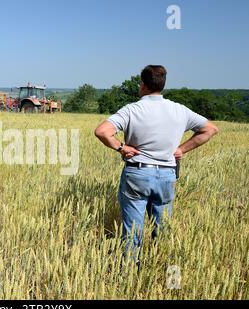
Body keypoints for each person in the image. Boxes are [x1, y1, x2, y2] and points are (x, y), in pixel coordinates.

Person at [94, 65, 219, 260]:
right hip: (167, 174)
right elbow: (210, 129)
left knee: (133, 231)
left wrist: (121, 147)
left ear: (142, 85)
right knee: (162, 228)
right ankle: (160, 266)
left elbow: (102, 131)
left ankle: (130, 275)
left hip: (138, 172)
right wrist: (181, 149)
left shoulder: (131, 110)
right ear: (162, 85)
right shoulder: (179, 110)